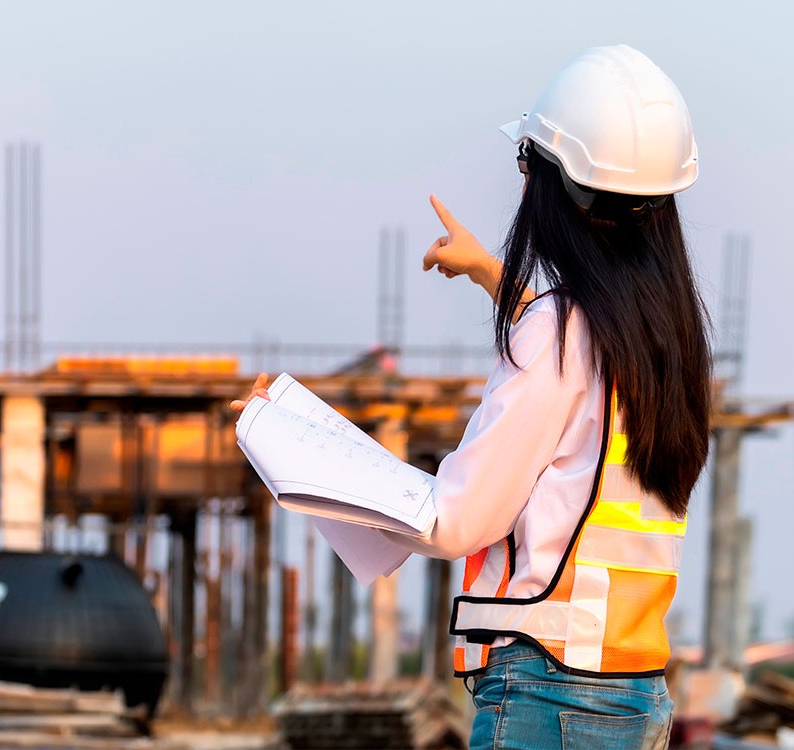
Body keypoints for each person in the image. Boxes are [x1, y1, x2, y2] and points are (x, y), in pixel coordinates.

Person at [232, 44, 710, 750]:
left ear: (559, 189)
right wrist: (494, 274)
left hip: (546, 694)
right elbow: (580, 366)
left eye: (528, 166)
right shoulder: (669, 340)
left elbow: (457, 520)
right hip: (634, 694)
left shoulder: (558, 329)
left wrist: (288, 441)